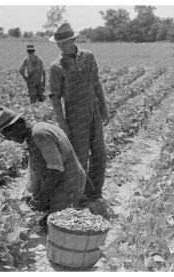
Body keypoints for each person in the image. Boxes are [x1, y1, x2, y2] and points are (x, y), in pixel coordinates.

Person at [48, 23, 109, 201]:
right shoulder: (56, 67)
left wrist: (104, 107)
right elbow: (54, 98)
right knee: (80, 157)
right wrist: (62, 123)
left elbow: (96, 82)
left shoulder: (88, 57)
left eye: (65, 42)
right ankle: (78, 196)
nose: (62, 46)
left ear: (74, 40)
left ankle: (95, 192)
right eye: (59, 43)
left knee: (99, 154)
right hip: (75, 115)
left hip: (94, 109)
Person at [0, 106, 86, 213]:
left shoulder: (39, 134)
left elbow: (56, 169)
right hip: (61, 184)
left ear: (15, 127)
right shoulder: (34, 134)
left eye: (6, 134)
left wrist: (40, 197)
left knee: (54, 224)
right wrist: (32, 194)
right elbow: (36, 171)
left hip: (68, 187)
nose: (8, 139)